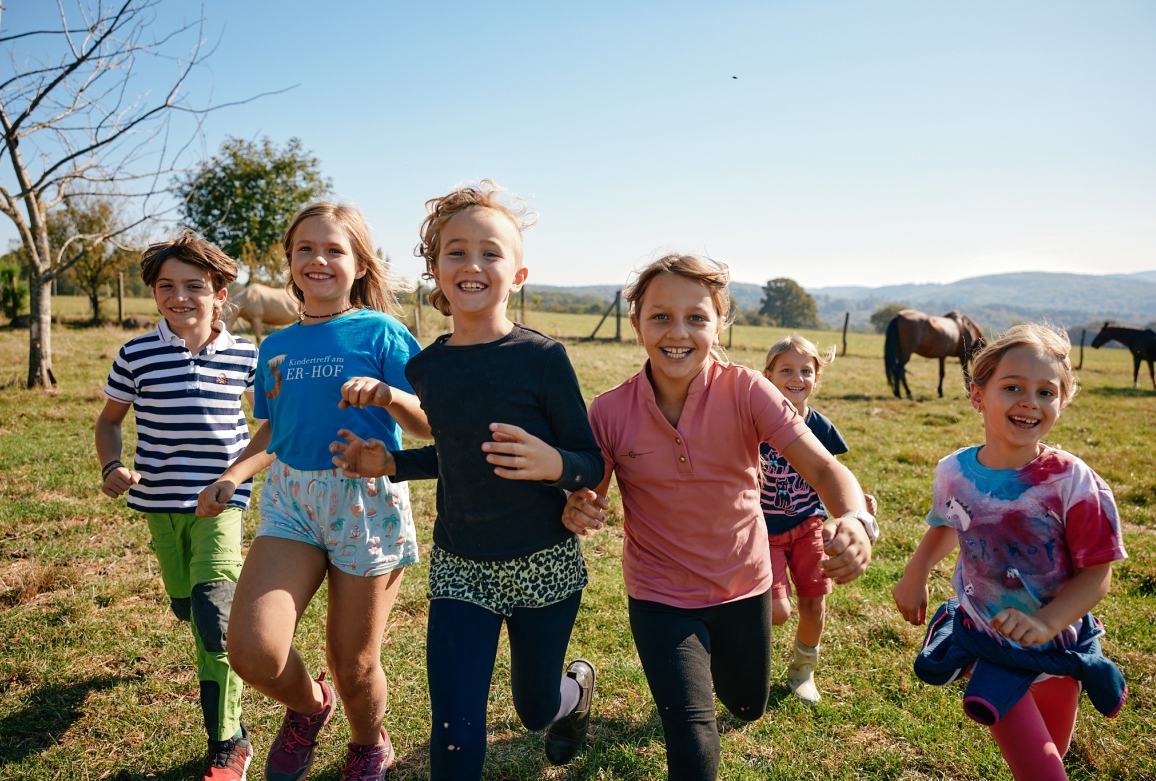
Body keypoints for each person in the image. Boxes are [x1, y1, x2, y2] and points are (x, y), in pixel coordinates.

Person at [561, 254, 878, 781]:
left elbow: (825, 470)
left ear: (719, 323)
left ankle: (721, 671)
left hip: (743, 586)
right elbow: (589, 495)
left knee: (747, 706)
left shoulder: (748, 389)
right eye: (660, 316)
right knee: (692, 735)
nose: (677, 332)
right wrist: (578, 506)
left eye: (696, 317)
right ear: (636, 322)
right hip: (660, 595)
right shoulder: (609, 411)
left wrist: (854, 521)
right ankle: (683, 677)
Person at [329, 180, 605, 780]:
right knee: (454, 731)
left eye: (491, 252)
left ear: (519, 273)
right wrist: (392, 463)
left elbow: (592, 459)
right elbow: (455, 454)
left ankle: (571, 693)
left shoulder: (542, 358)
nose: (472, 264)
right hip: (461, 568)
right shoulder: (425, 367)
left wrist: (556, 465)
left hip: (544, 565)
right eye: (455, 251)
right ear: (434, 269)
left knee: (534, 710)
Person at [196, 202, 430, 781]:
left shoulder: (382, 333)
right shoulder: (274, 348)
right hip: (291, 504)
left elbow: (432, 422)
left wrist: (388, 396)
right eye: (305, 248)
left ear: (359, 264)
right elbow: (276, 429)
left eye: (334, 250)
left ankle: (367, 743)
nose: (318, 259)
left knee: (352, 664)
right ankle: (309, 706)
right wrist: (232, 474)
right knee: (252, 650)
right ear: (290, 261)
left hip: (364, 502)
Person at [893, 323, 1128, 781]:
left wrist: (1044, 623)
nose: (1030, 401)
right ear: (978, 395)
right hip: (989, 643)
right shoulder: (954, 472)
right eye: (1013, 387)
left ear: (1062, 402)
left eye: (1046, 392)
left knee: (1052, 756)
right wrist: (915, 571)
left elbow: (1097, 574)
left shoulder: (1074, 483)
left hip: (1061, 648)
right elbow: (949, 523)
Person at [95, 234, 258, 781]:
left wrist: (238, 477)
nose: (180, 297)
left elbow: (270, 424)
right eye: (167, 286)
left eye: (194, 286)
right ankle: (186, 601)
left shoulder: (244, 356)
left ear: (220, 291)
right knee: (187, 604)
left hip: (220, 504)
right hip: (158, 503)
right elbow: (109, 421)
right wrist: (111, 466)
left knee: (214, 619)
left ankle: (228, 739)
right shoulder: (136, 354)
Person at [759, 335, 878, 705]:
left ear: (817, 378)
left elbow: (833, 471)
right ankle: (745, 658)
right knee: (777, 612)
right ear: (768, 376)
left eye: (806, 371)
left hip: (809, 524)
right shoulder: (755, 422)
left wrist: (856, 505)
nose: (797, 377)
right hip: (765, 529)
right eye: (787, 370)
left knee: (814, 603)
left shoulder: (820, 427)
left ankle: (802, 670)